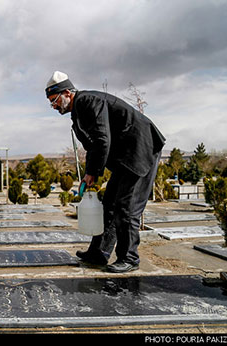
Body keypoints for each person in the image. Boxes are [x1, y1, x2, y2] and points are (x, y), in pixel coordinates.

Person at [45, 71, 166, 273]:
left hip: (140, 151)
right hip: (125, 157)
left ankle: (129, 258)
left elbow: (102, 139)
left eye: (55, 100)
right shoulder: (78, 112)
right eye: (51, 102)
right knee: (109, 203)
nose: (54, 106)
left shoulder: (88, 101)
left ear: (67, 93)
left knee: (126, 207)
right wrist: (89, 173)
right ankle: (98, 253)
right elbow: (93, 146)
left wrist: (93, 172)